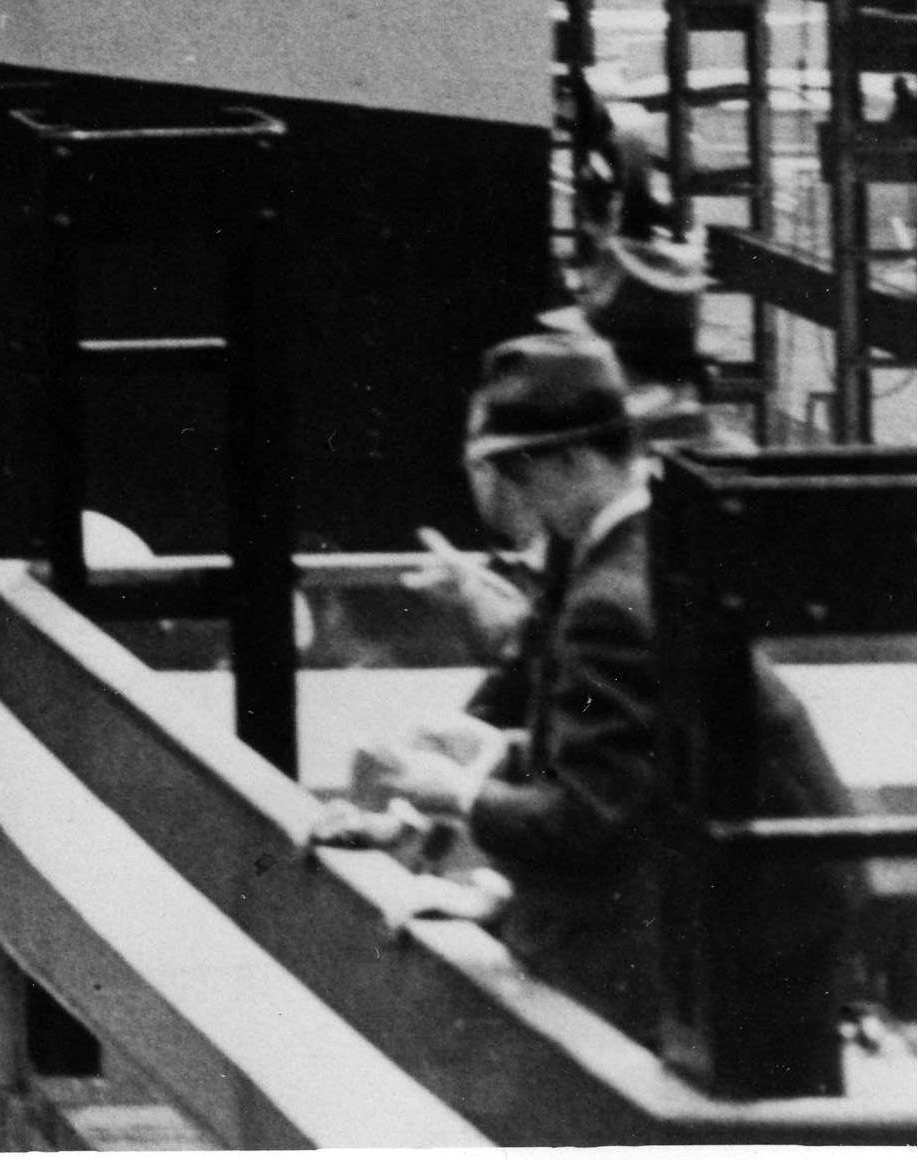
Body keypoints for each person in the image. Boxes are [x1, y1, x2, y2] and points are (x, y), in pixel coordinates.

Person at [349, 319, 853, 1088]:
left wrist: (457, 794)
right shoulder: (635, 553)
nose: (513, 499)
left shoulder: (608, 602)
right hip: (769, 903)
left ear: (571, 459)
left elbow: (588, 815)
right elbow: (625, 757)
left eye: (518, 475)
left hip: (747, 927)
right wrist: (492, 756)